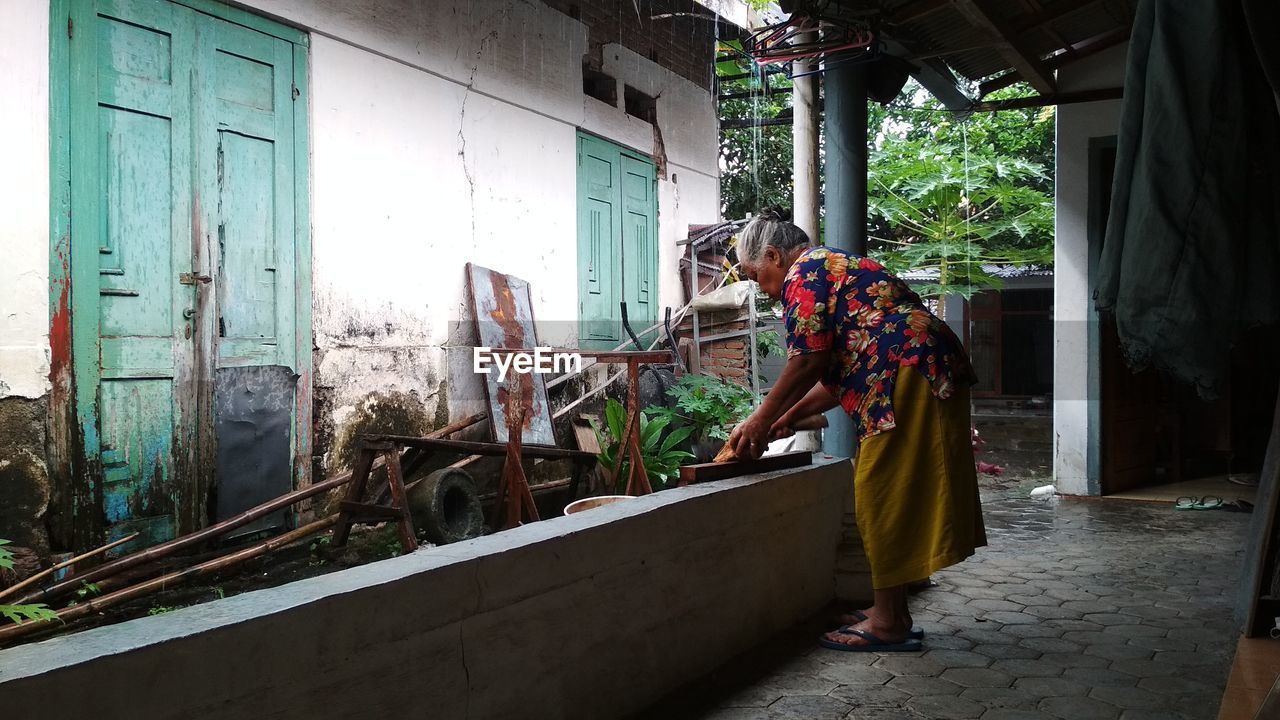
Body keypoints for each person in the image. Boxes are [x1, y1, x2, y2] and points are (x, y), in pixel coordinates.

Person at [726, 208, 987, 652]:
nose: (763, 289)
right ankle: (891, 609)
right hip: (921, 365)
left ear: (773, 256)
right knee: (892, 488)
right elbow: (835, 367)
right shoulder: (833, 265)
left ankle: (888, 621)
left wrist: (761, 419)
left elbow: (807, 359)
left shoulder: (803, 273)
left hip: (904, 371)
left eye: (757, 276)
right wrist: (786, 416)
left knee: (880, 490)